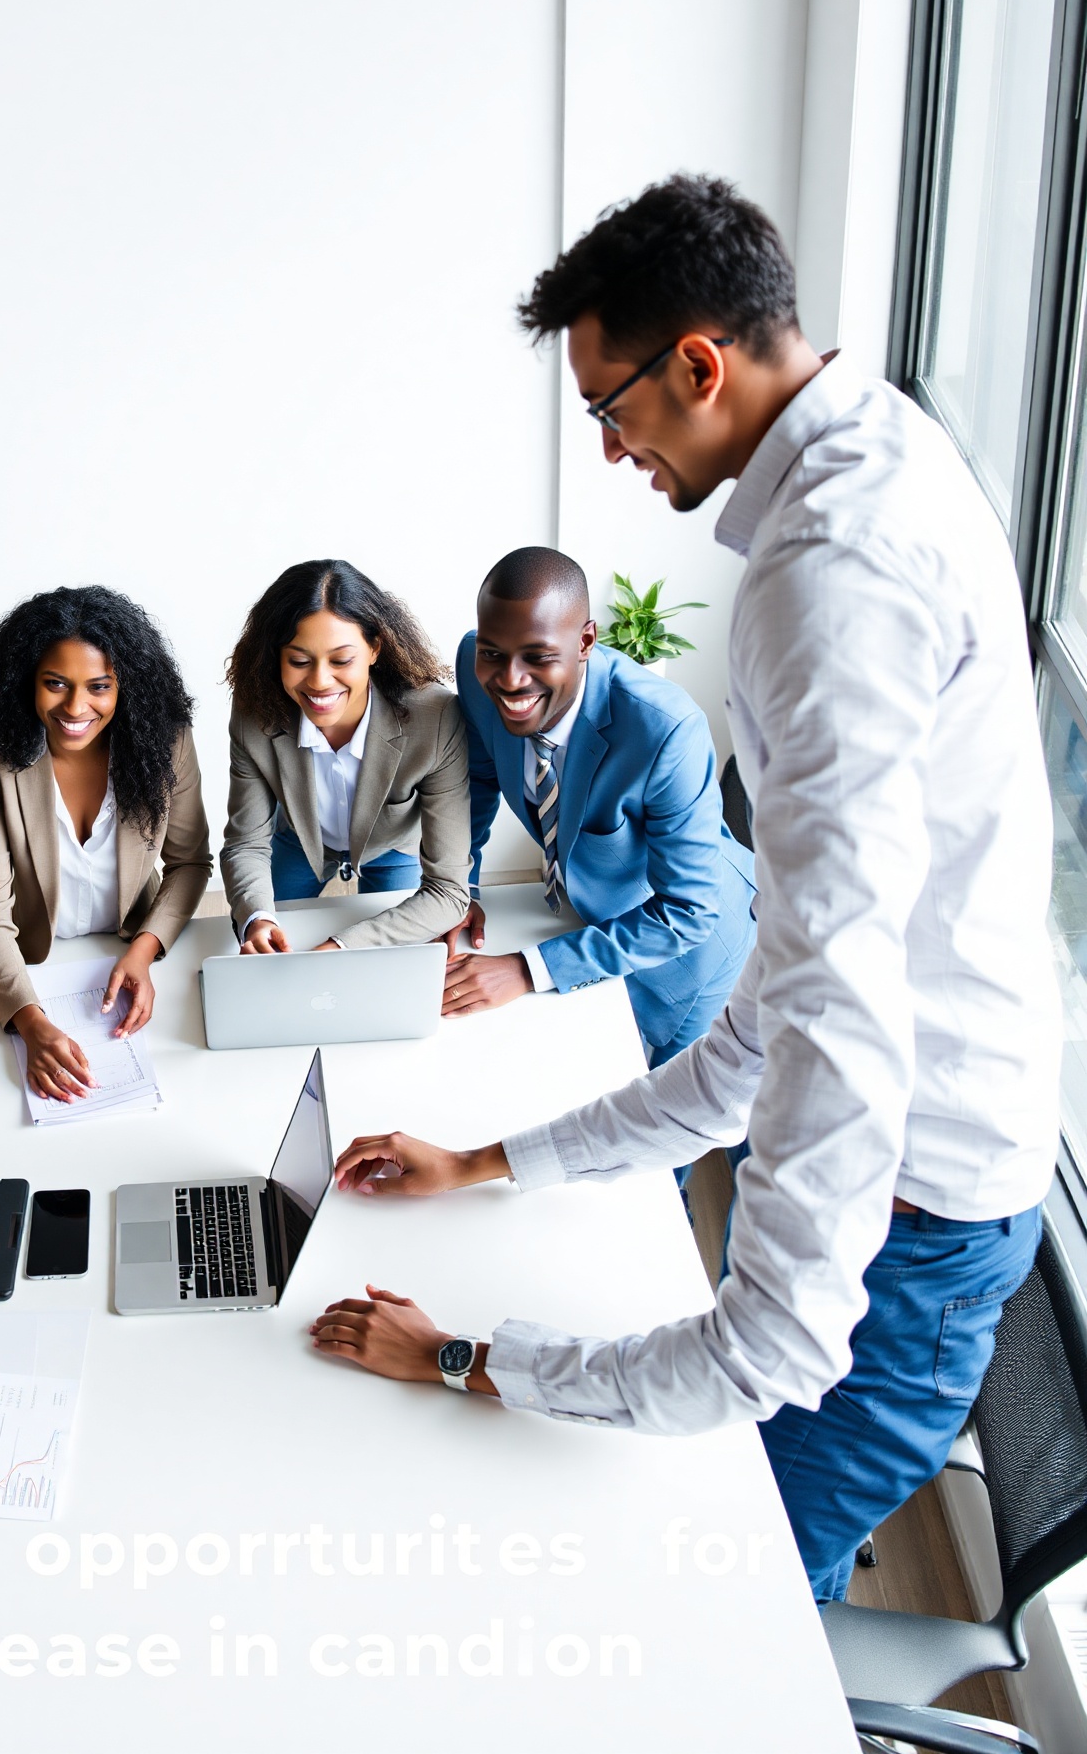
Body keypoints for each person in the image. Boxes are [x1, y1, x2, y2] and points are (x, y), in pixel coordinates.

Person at [309, 175, 1060, 1605]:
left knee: (716, 1605)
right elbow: (770, 1026)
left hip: (913, 1217)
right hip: (925, 1176)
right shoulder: (885, 449)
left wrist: (463, 1357)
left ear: (700, 366)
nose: (609, 449)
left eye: (613, 406)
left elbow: (766, 1328)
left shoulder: (828, 575)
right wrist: (487, 1164)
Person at [443, 545, 755, 1066]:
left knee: (667, 1128)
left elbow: (689, 911)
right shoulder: (477, 672)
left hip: (691, 959)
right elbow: (477, 778)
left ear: (586, 641)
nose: (510, 680)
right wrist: (460, 888)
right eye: (493, 653)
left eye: (537, 657)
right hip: (586, 921)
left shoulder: (665, 729)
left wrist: (527, 969)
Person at [0, 585, 212, 1102]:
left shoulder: (168, 741)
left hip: (130, 947)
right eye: (55, 684)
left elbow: (190, 863)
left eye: (99, 686)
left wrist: (144, 950)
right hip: (35, 962)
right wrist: (30, 1022)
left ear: (128, 688)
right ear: (26, 681)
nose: (76, 706)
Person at [221, 559, 469, 955]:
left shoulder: (435, 717)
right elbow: (246, 844)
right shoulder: (256, 713)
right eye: (299, 661)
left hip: (392, 846)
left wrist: (341, 948)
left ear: (374, 648)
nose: (319, 681)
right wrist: (256, 918)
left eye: (341, 660)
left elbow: (448, 892)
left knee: (398, 950)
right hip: (298, 841)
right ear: (276, 657)